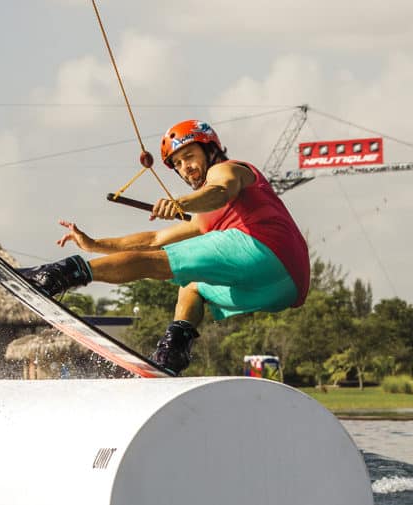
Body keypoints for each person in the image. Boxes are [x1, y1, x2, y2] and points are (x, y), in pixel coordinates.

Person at [17, 119, 310, 375]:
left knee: (155, 263)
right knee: (191, 285)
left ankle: (55, 276)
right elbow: (153, 239)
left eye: (190, 156)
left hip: (266, 248)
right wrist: (94, 244)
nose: (186, 168)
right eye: (179, 164)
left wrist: (180, 202)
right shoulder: (205, 218)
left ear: (211, 150)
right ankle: (172, 356)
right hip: (283, 288)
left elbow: (220, 191)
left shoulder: (228, 169)